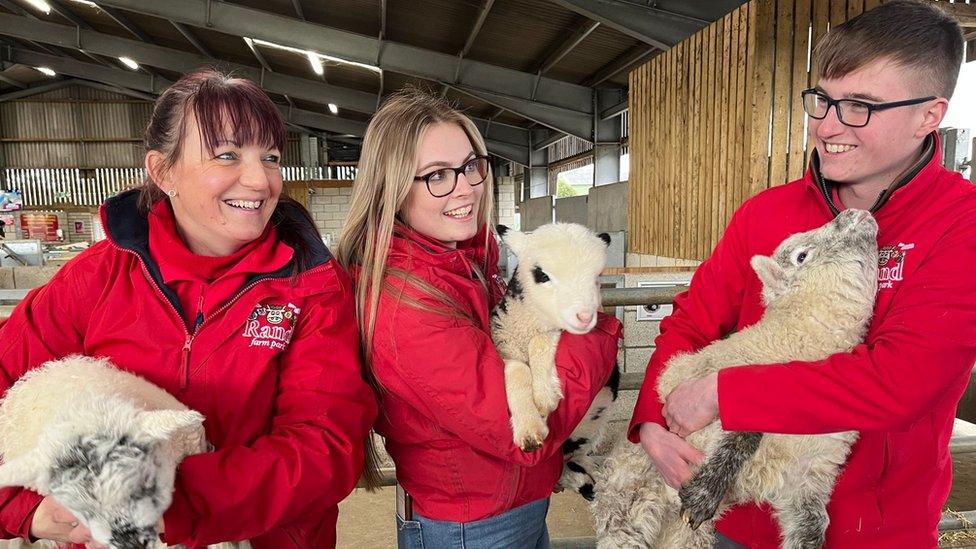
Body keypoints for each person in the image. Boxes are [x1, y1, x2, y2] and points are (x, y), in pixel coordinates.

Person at [629, 1, 976, 547]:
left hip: (874, 527)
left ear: (929, 115)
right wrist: (652, 415)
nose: (827, 125)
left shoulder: (961, 224)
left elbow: (901, 380)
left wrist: (725, 392)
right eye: (823, 100)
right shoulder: (767, 213)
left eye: (860, 106)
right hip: (738, 514)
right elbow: (692, 322)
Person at [0, 69, 377, 548]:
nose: (260, 179)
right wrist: (25, 508)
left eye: (271, 157)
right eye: (226, 155)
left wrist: (158, 504)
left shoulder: (312, 287)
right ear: (163, 172)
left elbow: (324, 444)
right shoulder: (99, 276)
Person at [336, 89, 622, 548]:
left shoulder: (465, 261)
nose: (466, 186)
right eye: (437, 176)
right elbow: (519, 433)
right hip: (473, 527)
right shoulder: (405, 305)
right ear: (391, 188)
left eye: (471, 165)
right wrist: (594, 324)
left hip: (506, 508)